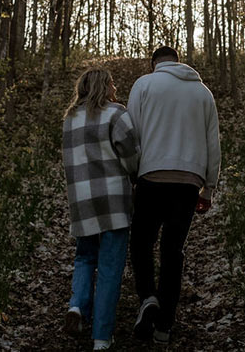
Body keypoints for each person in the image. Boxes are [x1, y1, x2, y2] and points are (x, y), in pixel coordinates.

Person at [127, 46, 221, 345]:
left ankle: (148, 298)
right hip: (189, 180)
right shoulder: (202, 92)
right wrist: (209, 187)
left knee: (141, 242)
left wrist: (133, 174)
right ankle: (164, 325)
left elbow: (132, 134)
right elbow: (213, 142)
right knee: (173, 250)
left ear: (154, 63)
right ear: (178, 63)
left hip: (152, 176)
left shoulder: (144, 84)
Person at [62, 67, 140, 351]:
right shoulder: (116, 114)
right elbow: (131, 156)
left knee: (84, 257)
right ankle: (101, 337)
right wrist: (133, 173)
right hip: (113, 200)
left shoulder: (70, 118)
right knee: (109, 268)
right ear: (103, 86)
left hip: (82, 200)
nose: (115, 88)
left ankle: (77, 306)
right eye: (112, 83)